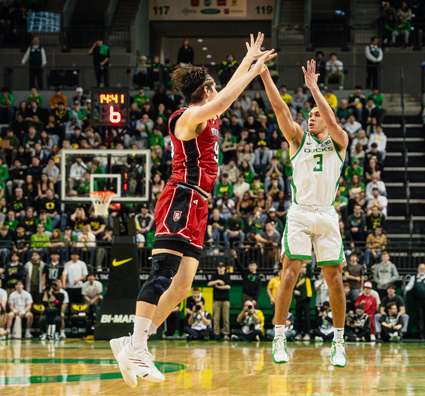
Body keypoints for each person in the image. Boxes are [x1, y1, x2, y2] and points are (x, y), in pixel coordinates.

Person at [111, 33, 277, 386]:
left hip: (199, 203)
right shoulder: (186, 118)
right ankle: (136, 346)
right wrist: (251, 68)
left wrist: (248, 62)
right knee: (161, 275)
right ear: (205, 92)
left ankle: (132, 343)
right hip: (181, 198)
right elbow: (226, 98)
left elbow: (227, 95)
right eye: (213, 87)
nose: (218, 91)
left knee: (183, 284)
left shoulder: (208, 112)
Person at [260, 59, 348, 367]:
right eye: (309, 114)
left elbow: (333, 122)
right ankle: (279, 336)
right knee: (289, 274)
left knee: (335, 278)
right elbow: (279, 108)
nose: (311, 117)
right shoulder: (297, 139)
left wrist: (314, 89)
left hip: (326, 213)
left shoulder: (340, 141)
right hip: (299, 212)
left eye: (316, 114)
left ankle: (338, 342)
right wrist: (264, 73)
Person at [405, 263, 425, 339]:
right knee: (420, 317)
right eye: (420, 268)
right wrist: (404, 289)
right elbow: (409, 286)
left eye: (423, 268)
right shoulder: (414, 278)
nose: (421, 270)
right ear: (418, 269)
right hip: (417, 300)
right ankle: (421, 333)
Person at [207, 262, 231, 340]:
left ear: (224, 268)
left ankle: (226, 333)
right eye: (219, 267)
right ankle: (216, 333)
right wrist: (217, 281)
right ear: (217, 268)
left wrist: (219, 287)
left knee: (225, 318)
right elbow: (209, 284)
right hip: (216, 300)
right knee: (216, 318)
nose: (220, 268)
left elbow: (228, 286)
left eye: (222, 267)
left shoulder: (227, 276)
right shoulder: (215, 276)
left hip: (225, 300)